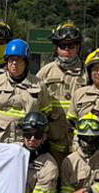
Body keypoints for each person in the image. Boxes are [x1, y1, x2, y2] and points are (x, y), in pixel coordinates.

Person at [0, 39, 56, 144]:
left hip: (26, 141)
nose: (14, 64)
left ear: (26, 62)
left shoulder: (38, 85)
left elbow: (46, 113)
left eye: (19, 60)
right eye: (11, 60)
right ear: (6, 61)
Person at [36, 21, 84, 161]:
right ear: (57, 48)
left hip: (81, 142)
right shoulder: (45, 72)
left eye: (71, 46)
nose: (67, 50)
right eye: (63, 46)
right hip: (53, 143)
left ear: (78, 47)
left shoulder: (88, 73)